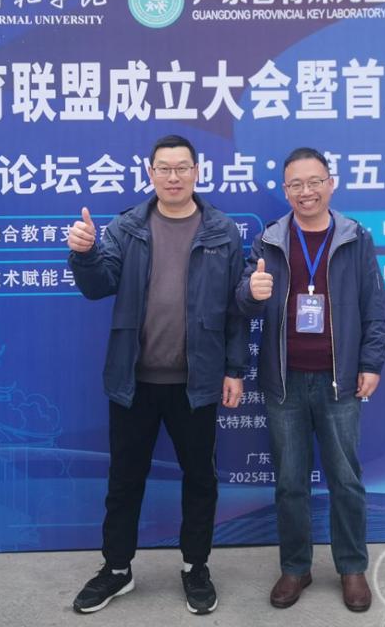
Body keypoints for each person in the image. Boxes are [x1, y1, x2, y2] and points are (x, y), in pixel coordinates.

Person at [67, 134, 247, 615]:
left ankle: (195, 566)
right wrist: (85, 254)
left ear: (196, 172)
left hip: (196, 383)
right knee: (125, 480)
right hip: (134, 382)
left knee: (200, 480)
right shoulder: (127, 227)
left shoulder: (222, 232)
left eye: (182, 167)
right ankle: (117, 569)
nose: (173, 177)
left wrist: (234, 369)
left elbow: (236, 308)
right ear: (150, 173)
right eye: (164, 168)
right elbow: (98, 285)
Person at [237, 147, 385, 613]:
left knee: (346, 480)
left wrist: (371, 363)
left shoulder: (355, 238)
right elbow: (243, 302)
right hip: (284, 383)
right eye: (296, 184)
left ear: (331, 183)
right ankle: (295, 567)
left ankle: (352, 567)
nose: (306, 191)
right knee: (290, 483)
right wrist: (251, 292)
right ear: (286, 191)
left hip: (339, 382)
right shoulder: (269, 241)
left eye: (314, 181)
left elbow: (374, 307)